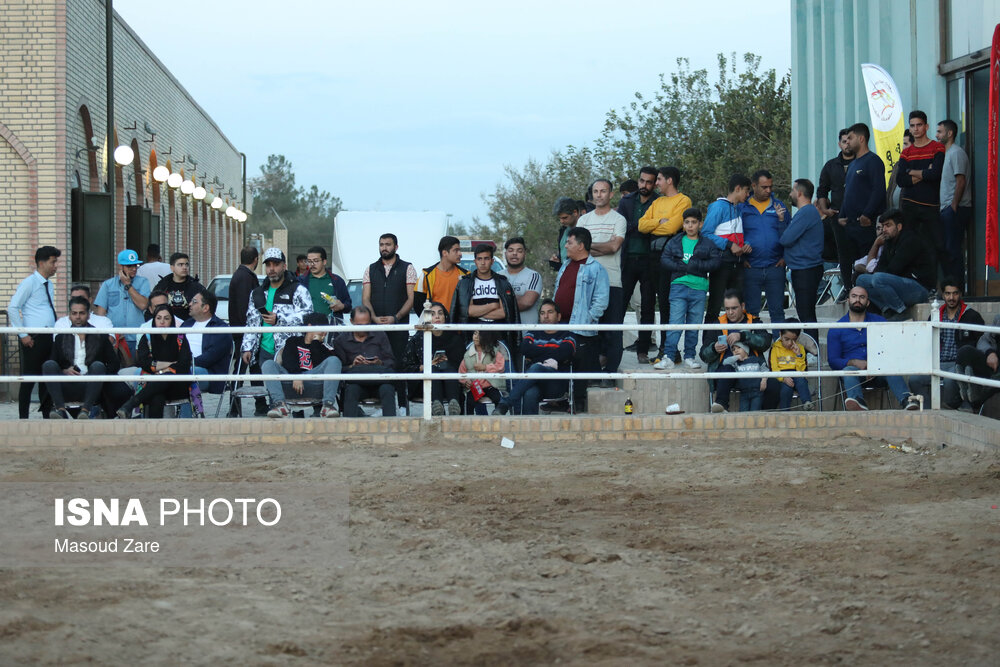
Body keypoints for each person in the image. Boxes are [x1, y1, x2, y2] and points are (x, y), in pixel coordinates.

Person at [826, 286, 919, 411]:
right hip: (853, 375)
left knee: (890, 368)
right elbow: (833, 360)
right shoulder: (837, 328)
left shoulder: (879, 322)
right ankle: (858, 403)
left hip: (879, 373)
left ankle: (906, 400)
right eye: (854, 296)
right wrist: (853, 362)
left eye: (862, 297)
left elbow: (891, 351)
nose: (857, 300)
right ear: (848, 300)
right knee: (849, 370)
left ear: (868, 302)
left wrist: (876, 365)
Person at [655, 207, 722, 370]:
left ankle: (690, 356)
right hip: (678, 286)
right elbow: (664, 259)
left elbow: (715, 262)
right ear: (683, 224)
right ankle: (669, 356)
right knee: (675, 323)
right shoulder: (675, 241)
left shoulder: (708, 243)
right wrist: (682, 268)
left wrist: (694, 265)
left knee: (694, 324)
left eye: (693, 222)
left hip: (699, 288)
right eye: (687, 222)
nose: (690, 226)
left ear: (700, 224)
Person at [638, 167, 693, 363]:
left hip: (669, 257)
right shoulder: (657, 201)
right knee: (649, 303)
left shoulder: (683, 200)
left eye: (659, 179)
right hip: (651, 256)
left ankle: (668, 349)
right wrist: (658, 221)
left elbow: (672, 226)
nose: (656, 183)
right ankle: (657, 348)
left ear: (669, 180)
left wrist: (657, 224)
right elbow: (641, 225)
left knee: (666, 304)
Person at [553, 226, 609, 412]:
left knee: (579, 368)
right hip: (560, 325)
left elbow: (601, 300)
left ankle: (577, 404)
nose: (566, 246)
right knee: (560, 363)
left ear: (581, 245)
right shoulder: (565, 265)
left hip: (581, 328)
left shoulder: (596, 269)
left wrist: (589, 318)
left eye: (569, 242)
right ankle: (561, 399)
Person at [240, 247, 313, 385]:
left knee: (289, 392)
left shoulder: (298, 290)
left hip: (289, 350)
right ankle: (261, 406)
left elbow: (308, 316)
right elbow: (251, 323)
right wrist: (248, 348)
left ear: (284, 266)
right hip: (262, 350)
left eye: (276, 264)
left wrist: (280, 319)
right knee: (262, 393)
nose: (271, 269)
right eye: (268, 265)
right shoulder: (257, 293)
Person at [578, 179, 627, 383]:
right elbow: (577, 250)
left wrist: (589, 246)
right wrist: (597, 247)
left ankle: (611, 373)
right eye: (596, 191)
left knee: (613, 331)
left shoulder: (619, 219)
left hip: (612, 282)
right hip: (587, 283)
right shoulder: (583, 221)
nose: (599, 195)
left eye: (603, 191)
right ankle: (593, 374)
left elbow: (614, 247)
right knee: (589, 331)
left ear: (611, 194)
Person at [908, 278, 983, 409]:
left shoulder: (971, 316)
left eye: (955, 293)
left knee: (949, 381)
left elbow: (981, 342)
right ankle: (928, 413)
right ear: (943, 295)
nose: (951, 297)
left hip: (959, 364)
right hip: (937, 362)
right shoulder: (935, 315)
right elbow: (926, 340)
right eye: (948, 294)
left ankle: (951, 410)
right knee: (914, 380)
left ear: (960, 294)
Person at [43, 295, 118, 419]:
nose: (78, 317)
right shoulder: (61, 337)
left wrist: (95, 373)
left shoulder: (100, 336)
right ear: (69, 315)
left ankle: (86, 410)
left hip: (91, 385)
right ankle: (60, 409)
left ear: (88, 315)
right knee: (48, 365)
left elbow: (114, 365)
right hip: (67, 383)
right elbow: (53, 362)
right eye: (74, 313)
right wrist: (65, 370)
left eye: (82, 313)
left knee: (98, 366)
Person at [495, 299, 576, 415]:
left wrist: (537, 355)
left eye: (550, 312)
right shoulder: (533, 332)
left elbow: (564, 352)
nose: (546, 316)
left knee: (536, 367)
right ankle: (527, 431)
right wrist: (552, 353)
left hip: (556, 384)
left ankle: (505, 404)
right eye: (542, 313)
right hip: (534, 383)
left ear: (558, 317)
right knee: (529, 393)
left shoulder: (567, 334)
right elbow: (524, 349)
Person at [9, 246, 60, 420]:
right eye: (53, 262)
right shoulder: (29, 282)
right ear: (41, 263)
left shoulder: (49, 284)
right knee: (28, 380)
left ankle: (47, 416)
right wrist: (23, 334)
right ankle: (23, 418)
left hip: (48, 337)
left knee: (48, 378)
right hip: (33, 339)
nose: (56, 266)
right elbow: (13, 308)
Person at [116, 304, 193, 419]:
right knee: (157, 396)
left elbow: (185, 364)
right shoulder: (146, 337)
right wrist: (170, 365)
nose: (162, 322)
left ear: (172, 321)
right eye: (158, 318)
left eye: (166, 318)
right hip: (152, 384)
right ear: (154, 320)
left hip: (177, 385)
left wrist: (161, 370)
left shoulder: (180, 338)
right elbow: (143, 363)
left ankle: (130, 404)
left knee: (162, 382)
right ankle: (156, 433)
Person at [855, 208, 934, 319]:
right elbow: (880, 268)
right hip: (899, 285)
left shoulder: (910, 240)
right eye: (883, 226)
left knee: (878, 278)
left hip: (919, 289)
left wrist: (880, 273)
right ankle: (887, 309)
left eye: (888, 225)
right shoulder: (889, 242)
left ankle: (901, 311)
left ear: (899, 227)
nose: (884, 230)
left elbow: (894, 269)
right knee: (862, 280)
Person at [262, 312, 343, 419]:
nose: (325, 332)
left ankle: (328, 405)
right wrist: (297, 376)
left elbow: (318, 364)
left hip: (315, 386)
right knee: (268, 364)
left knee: (334, 361)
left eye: (326, 329)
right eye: (323, 328)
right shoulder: (293, 341)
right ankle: (279, 405)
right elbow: (288, 361)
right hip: (291, 384)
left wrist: (316, 343)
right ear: (309, 327)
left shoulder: (324, 348)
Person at [835, 122, 886, 293]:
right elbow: (848, 192)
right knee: (853, 264)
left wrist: (867, 214)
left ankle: (870, 298)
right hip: (850, 226)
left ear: (861, 138)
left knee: (867, 264)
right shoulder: (853, 165)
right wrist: (842, 214)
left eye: (850, 138)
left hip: (866, 226)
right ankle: (853, 293)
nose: (847, 142)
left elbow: (878, 191)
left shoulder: (873, 161)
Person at [703, 290, 772, 413]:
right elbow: (703, 354)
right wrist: (714, 348)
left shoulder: (754, 322)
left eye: (734, 308)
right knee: (726, 369)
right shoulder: (717, 324)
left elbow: (766, 342)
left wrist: (743, 336)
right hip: (728, 373)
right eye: (727, 308)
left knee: (774, 384)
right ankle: (722, 407)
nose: (730, 312)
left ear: (743, 306)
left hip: (753, 371)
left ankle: (768, 417)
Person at [616, 166, 659, 363]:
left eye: (649, 182)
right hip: (627, 259)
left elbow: (658, 229)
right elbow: (623, 227)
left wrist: (641, 226)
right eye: (642, 181)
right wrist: (645, 225)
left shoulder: (659, 201)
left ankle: (643, 349)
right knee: (620, 305)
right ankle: (612, 349)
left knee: (648, 305)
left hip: (650, 260)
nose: (645, 185)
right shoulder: (626, 201)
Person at [702, 174, 751, 343]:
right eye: (746, 191)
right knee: (715, 306)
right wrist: (730, 245)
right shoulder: (717, 207)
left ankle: (737, 346)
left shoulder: (739, 208)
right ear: (737, 189)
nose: (747, 195)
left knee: (737, 307)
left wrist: (746, 244)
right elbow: (706, 233)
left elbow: (740, 234)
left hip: (738, 264)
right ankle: (707, 346)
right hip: (721, 264)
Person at [896, 110, 945, 274]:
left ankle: (936, 286)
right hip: (909, 205)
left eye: (919, 125)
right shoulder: (906, 152)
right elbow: (900, 180)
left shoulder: (937, 148)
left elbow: (936, 174)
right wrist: (924, 173)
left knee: (936, 246)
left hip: (930, 205)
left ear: (926, 126)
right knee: (909, 245)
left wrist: (911, 171)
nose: (916, 129)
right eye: (912, 126)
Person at [740, 169, 788, 330]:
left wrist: (785, 257)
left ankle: (778, 351)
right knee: (751, 312)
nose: (769, 190)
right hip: (751, 267)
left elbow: (790, 233)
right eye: (764, 187)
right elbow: (735, 235)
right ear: (754, 186)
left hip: (775, 267)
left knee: (777, 312)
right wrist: (742, 258)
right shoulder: (742, 208)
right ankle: (754, 352)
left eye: (770, 187)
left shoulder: (779, 206)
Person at [450, 243, 519, 352]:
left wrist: (478, 312)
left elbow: (504, 313)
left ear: (492, 261)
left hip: (499, 335)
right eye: (479, 259)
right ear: (475, 261)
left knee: (503, 367)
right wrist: (493, 305)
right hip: (473, 335)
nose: (482, 263)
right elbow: (468, 311)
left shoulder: (502, 282)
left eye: (486, 259)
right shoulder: (465, 283)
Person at [401, 301, 465, 416]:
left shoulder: (454, 338)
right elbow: (406, 366)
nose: (437, 317)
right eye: (432, 314)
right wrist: (426, 366)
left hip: (451, 384)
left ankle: (453, 405)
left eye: (440, 313)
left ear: (445, 317)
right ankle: (436, 406)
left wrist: (447, 361)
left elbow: (462, 365)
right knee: (433, 369)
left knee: (448, 368)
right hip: (423, 385)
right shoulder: (418, 340)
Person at [362, 233, 416, 366]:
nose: (384, 248)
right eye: (381, 245)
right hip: (375, 329)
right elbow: (365, 298)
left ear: (396, 247)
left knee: (398, 366)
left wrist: (396, 318)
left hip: (399, 328)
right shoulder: (370, 269)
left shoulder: (408, 268)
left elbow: (411, 299)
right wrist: (374, 318)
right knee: (375, 365)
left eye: (388, 244)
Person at [781, 178, 825, 341]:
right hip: (804, 269)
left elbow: (786, 238)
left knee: (806, 314)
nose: (791, 194)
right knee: (805, 312)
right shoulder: (807, 213)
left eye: (792, 191)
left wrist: (781, 225)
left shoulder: (806, 212)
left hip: (806, 270)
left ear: (799, 193)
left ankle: (813, 352)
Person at [334, 306, 397, 417]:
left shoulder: (380, 334)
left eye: (367, 325)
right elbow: (338, 369)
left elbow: (391, 362)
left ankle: (391, 429)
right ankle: (350, 429)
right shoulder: (341, 340)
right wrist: (352, 365)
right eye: (359, 325)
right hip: (357, 383)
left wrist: (379, 363)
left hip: (379, 382)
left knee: (387, 389)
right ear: (351, 321)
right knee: (351, 390)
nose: (363, 328)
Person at [93, 249, 150, 361]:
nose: (134, 269)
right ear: (121, 267)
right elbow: (100, 315)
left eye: (135, 265)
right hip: (115, 339)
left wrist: (128, 285)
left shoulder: (143, 282)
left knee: (136, 371)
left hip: (137, 337)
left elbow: (143, 305)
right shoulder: (108, 285)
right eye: (129, 266)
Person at [936, 119, 973, 285]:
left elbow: (961, 181)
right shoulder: (947, 153)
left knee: (953, 250)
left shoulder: (956, 153)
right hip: (946, 209)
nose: (937, 135)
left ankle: (957, 288)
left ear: (949, 133)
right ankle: (950, 287)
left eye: (940, 132)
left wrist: (954, 205)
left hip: (956, 209)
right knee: (945, 249)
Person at [227, 246, 260, 416]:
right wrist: (248, 331)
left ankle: (258, 404)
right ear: (256, 259)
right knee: (242, 370)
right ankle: (234, 407)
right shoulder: (245, 278)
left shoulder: (240, 275)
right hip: (245, 332)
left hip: (242, 330)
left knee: (251, 369)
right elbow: (245, 307)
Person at [181, 288, 232, 394]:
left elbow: (208, 359)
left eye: (194, 302)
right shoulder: (186, 324)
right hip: (181, 366)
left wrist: (182, 363)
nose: (189, 304)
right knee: (142, 373)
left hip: (208, 373)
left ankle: (192, 410)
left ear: (205, 308)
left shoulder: (221, 329)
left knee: (184, 374)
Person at [816, 129, 855, 266]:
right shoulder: (830, 166)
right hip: (836, 217)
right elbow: (822, 190)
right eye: (844, 141)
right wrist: (825, 210)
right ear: (839, 144)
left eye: (850, 141)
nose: (847, 144)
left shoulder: (863, 163)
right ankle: (845, 286)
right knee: (840, 254)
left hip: (857, 218)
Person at [955, 315, 1000, 412]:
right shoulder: (998, 318)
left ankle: (973, 401)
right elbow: (984, 339)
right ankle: (967, 390)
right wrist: (989, 352)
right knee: (965, 351)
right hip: (993, 365)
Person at [414, 236, 468, 316]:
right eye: (456, 250)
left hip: (457, 326)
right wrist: (429, 321)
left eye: (459, 250)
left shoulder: (465, 275)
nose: (460, 254)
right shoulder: (426, 275)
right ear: (444, 253)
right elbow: (418, 304)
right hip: (434, 326)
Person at [299, 245, 351, 324]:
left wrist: (342, 306)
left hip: (332, 328)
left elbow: (348, 306)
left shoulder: (337, 281)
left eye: (316, 261)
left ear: (324, 262)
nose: (312, 264)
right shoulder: (300, 282)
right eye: (309, 261)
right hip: (308, 329)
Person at [459, 330, 507, 415]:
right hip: (474, 386)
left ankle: (498, 421)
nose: (476, 336)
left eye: (479, 334)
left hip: (490, 385)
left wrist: (486, 367)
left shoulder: (494, 352)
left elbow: (501, 367)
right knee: (470, 401)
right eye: (474, 333)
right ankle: (470, 423)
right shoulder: (467, 355)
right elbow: (461, 372)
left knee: (498, 399)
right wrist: (466, 381)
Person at [768, 324, 814, 410]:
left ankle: (807, 402)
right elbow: (773, 368)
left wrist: (798, 355)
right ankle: (785, 411)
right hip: (782, 375)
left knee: (802, 381)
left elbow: (802, 370)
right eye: (786, 339)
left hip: (796, 373)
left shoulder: (800, 348)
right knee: (786, 389)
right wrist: (783, 378)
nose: (789, 343)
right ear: (780, 335)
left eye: (793, 340)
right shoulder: (775, 348)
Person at [500, 237, 541, 326]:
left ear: (525, 254)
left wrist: (502, 301)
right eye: (510, 250)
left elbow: (527, 302)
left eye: (519, 251)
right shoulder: (497, 276)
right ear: (505, 253)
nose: (515, 254)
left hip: (527, 335)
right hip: (503, 335)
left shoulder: (533, 276)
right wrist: (518, 297)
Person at [153, 252, 204, 322]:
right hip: (166, 327)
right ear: (172, 267)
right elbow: (152, 307)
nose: (184, 267)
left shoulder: (196, 287)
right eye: (180, 265)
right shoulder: (162, 286)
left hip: (190, 327)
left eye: (186, 265)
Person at [721, 342, 767, 412]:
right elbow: (725, 362)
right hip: (744, 393)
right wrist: (736, 357)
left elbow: (765, 369)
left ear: (746, 349)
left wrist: (764, 380)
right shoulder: (736, 363)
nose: (736, 350)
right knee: (742, 414)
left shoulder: (756, 359)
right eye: (733, 349)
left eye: (739, 348)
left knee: (754, 413)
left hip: (757, 392)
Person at [549, 197, 580, 270]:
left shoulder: (586, 228)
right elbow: (564, 254)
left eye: (565, 218)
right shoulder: (563, 231)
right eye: (560, 218)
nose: (561, 221)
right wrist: (557, 261)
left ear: (575, 213)